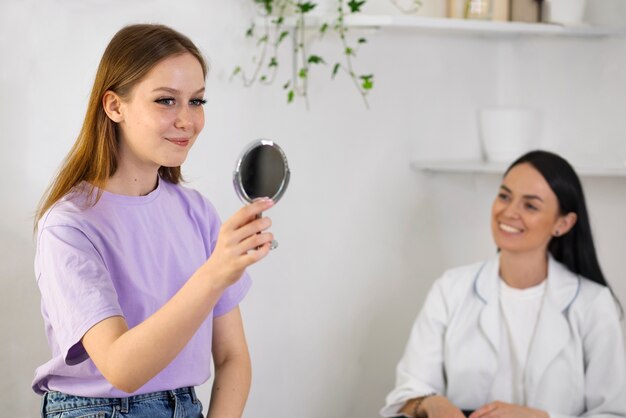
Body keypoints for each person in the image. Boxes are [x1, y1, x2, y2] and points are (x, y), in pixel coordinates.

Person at [32, 24, 274, 418]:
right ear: (114, 107)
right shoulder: (69, 226)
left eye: (196, 101)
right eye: (166, 100)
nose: (187, 120)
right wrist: (215, 272)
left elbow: (233, 357)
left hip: (186, 407)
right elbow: (122, 368)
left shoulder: (197, 212)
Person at [381, 150, 626, 418]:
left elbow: (613, 413)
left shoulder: (593, 304)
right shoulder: (450, 289)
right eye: (504, 196)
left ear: (563, 223)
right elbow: (408, 390)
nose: (509, 212)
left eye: (530, 205)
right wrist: (429, 403)